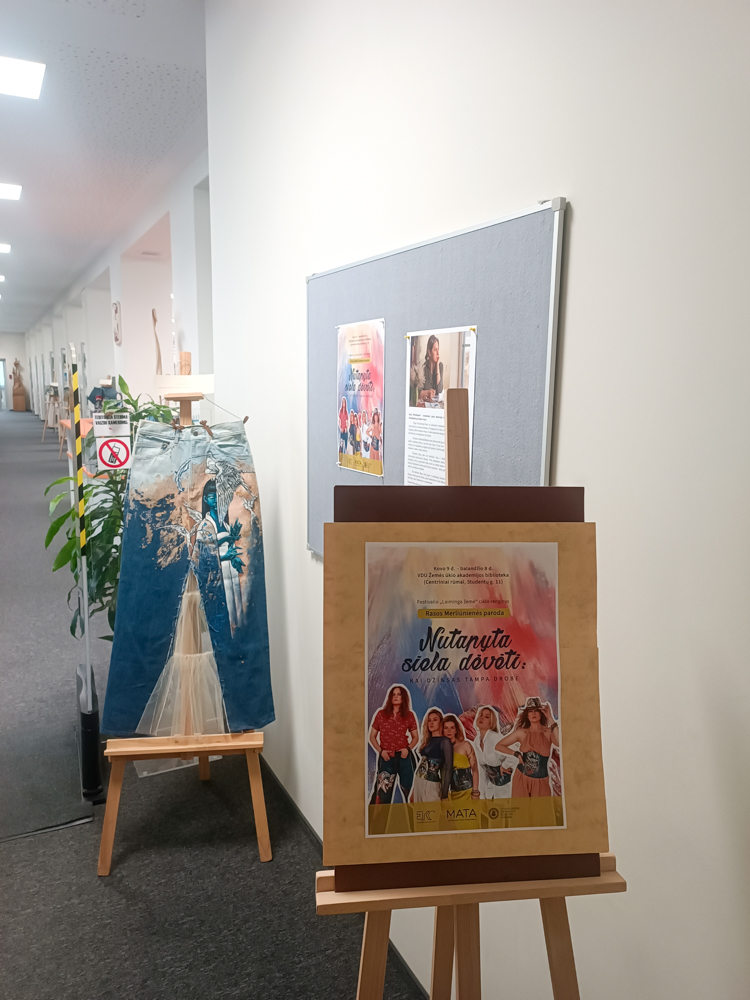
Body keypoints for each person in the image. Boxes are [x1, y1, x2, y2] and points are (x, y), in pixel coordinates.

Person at [494, 697, 560, 798]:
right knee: (521, 808)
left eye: (536, 710)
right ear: (527, 715)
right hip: (521, 778)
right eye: (530, 711)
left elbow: (559, 743)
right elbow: (499, 746)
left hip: (541, 781)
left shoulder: (548, 732)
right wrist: (516, 754)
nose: (533, 713)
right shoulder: (522, 733)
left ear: (541, 713)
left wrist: (550, 718)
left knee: (542, 808)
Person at [369, 685, 419, 804]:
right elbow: (372, 737)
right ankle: (379, 816)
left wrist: (408, 749)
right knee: (383, 794)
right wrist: (381, 752)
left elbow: (416, 737)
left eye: (399, 694)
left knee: (409, 792)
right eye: (393, 694)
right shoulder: (381, 714)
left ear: (403, 697)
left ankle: (411, 816)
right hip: (386, 757)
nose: (396, 697)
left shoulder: (409, 715)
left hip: (404, 757)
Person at [471, 705, 516, 799]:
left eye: (486, 717)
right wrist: (481, 794)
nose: (481, 718)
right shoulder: (476, 741)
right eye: (480, 715)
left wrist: (505, 766)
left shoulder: (495, 738)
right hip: (491, 788)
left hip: (505, 787)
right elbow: (482, 771)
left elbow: (514, 755)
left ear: (491, 723)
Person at [412, 708, 453, 802]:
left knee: (432, 811)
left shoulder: (445, 741)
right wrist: (414, 790)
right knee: (418, 812)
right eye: (429, 720)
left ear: (440, 722)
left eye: (435, 720)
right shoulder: (427, 740)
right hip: (418, 782)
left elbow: (449, 768)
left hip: (431, 784)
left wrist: (445, 795)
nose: (431, 722)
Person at [442, 714, 479, 803]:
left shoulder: (465, 745)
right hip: (450, 794)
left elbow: (475, 770)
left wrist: (475, 792)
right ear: (442, 730)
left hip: (467, 793)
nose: (449, 731)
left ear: (456, 730)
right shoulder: (441, 749)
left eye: (452, 728)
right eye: (446, 728)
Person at [418, 335, 444, 403]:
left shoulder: (440, 366)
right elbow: (417, 391)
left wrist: (437, 365)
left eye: (438, 349)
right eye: (435, 350)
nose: (438, 353)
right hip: (425, 403)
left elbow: (439, 391)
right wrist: (427, 392)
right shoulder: (423, 368)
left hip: (436, 404)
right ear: (429, 352)